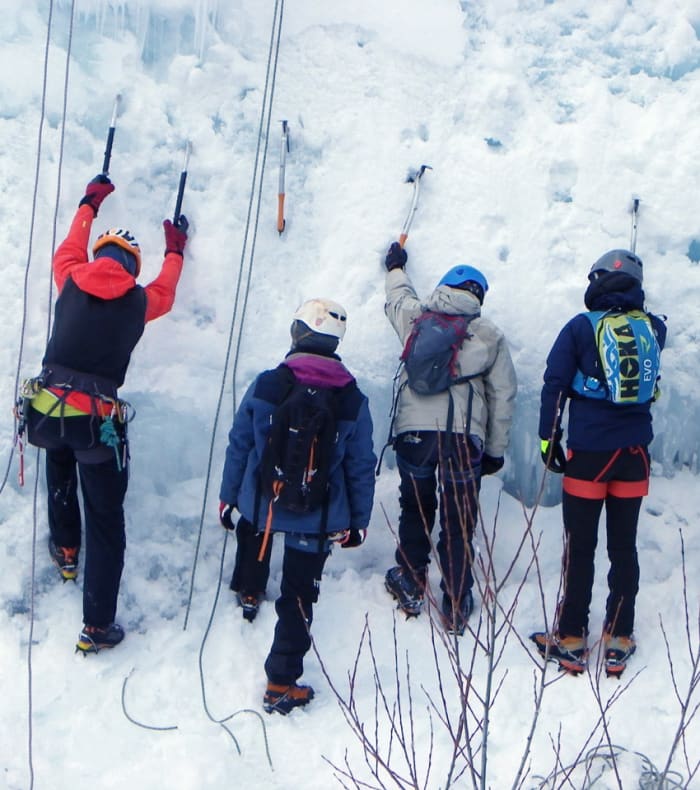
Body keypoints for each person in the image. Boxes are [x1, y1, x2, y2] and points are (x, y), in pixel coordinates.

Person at [24, 173, 189, 653]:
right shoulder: (138, 300)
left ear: (101, 255)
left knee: (58, 466)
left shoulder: (72, 276)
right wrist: (175, 249)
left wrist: (88, 203)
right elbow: (168, 289)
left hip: (47, 409)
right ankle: (96, 626)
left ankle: (66, 550)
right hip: (97, 423)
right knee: (106, 518)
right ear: (132, 266)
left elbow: (68, 245)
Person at [218, 298, 376, 715]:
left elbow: (241, 444)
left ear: (298, 333)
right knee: (299, 595)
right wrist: (358, 521)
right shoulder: (351, 398)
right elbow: (360, 464)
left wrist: (228, 496)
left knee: (255, 528)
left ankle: (250, 591)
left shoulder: (269, 384)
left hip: (262, 503)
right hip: (318, 512)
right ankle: (281, 682)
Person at [531, 249, 666, 677]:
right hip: (635, 457)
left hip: (589, 455)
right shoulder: (653, 327)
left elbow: (555, 385)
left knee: (581, 546)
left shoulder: (579, 327)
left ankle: (571, 638)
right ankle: (618, 637)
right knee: (623, 547)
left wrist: (548, 441)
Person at [382, 241, 517, 635]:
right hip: (461, 438)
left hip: (414, 434)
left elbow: (395, 297)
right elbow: (502, 395)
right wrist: (493, 451)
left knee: (416, 506)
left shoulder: (416, 317)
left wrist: (395, 266)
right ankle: (456, 601)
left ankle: (410, 579)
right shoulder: (487, 333)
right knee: (459, 520)